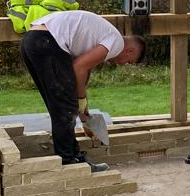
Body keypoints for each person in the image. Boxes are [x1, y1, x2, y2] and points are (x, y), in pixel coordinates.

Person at [19, 10, 145, 171]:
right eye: (129, 62)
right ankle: (70, 162)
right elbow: (79, 68)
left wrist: (84, 112)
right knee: (65, 107)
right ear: (130, 51)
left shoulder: (103, 36)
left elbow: (83, 73)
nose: (124, 64)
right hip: (47, 42)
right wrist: (79, 100)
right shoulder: (117, 42)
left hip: (32, 40)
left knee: (60, 106)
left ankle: (74, 157)